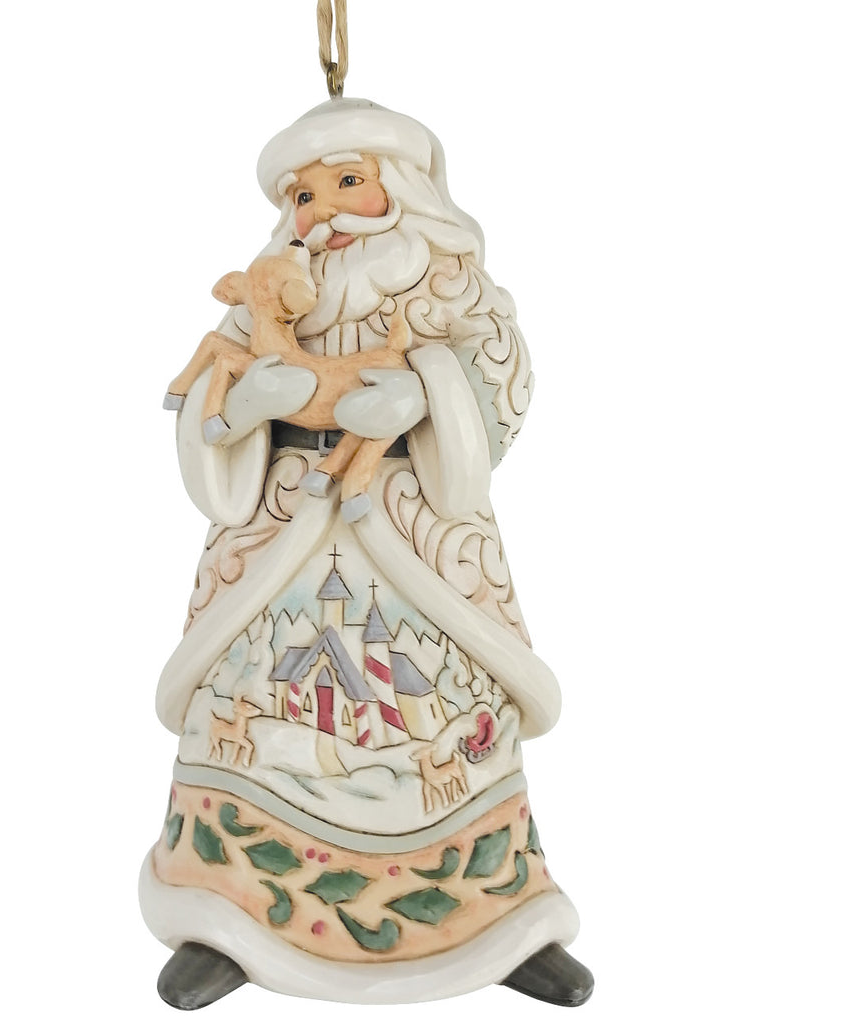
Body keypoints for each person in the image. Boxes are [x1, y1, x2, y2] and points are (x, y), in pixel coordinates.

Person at [140, 99, 593, 1009]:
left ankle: (492, 918)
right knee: (253, 700)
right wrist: (242, 409)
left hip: (415, 532)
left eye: (348, 182)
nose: (324, 212)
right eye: (303, 196)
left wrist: (426, 394)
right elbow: (210, 406)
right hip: (280, 538)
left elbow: (502, 376)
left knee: (446, 705)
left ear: (404, 190)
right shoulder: (275, 286)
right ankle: (229, 915)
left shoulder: (449, 282)